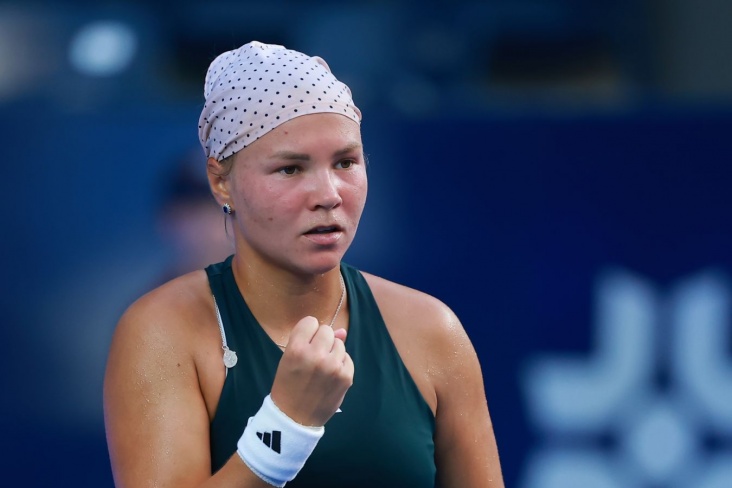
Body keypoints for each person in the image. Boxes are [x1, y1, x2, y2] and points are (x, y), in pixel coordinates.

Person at [104, 41, 504, 488]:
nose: (329, 194)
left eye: (346, 162)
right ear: (220, 182)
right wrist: (287, 425)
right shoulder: (162, 332)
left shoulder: (432, 330)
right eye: (291, 169)